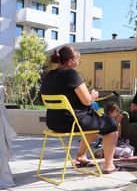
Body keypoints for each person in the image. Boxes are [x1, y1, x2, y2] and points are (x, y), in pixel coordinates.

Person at [40, 45, 118, 173]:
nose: (78, 64)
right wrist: (93, 95)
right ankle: (109, 165)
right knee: (111, 125)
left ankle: (81, 156)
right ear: (70, 61)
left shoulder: (49, 76)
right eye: (78, 61)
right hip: (71, 122)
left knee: (93, 125)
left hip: (53, 122)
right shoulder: (71, 74)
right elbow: (87, 101)